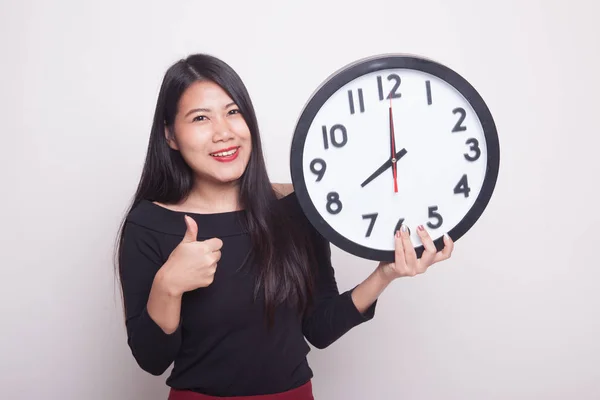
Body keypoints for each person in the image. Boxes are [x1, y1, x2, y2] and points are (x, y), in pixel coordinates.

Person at [114, 53, 454, 400]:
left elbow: (319, 328)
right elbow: (152, 360)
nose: (223, 132)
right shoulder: (149, 224)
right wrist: (168, 285)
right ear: (170, 135)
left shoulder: (296, 208)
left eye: (233, 112)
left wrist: (385, 274)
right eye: (200, 117)